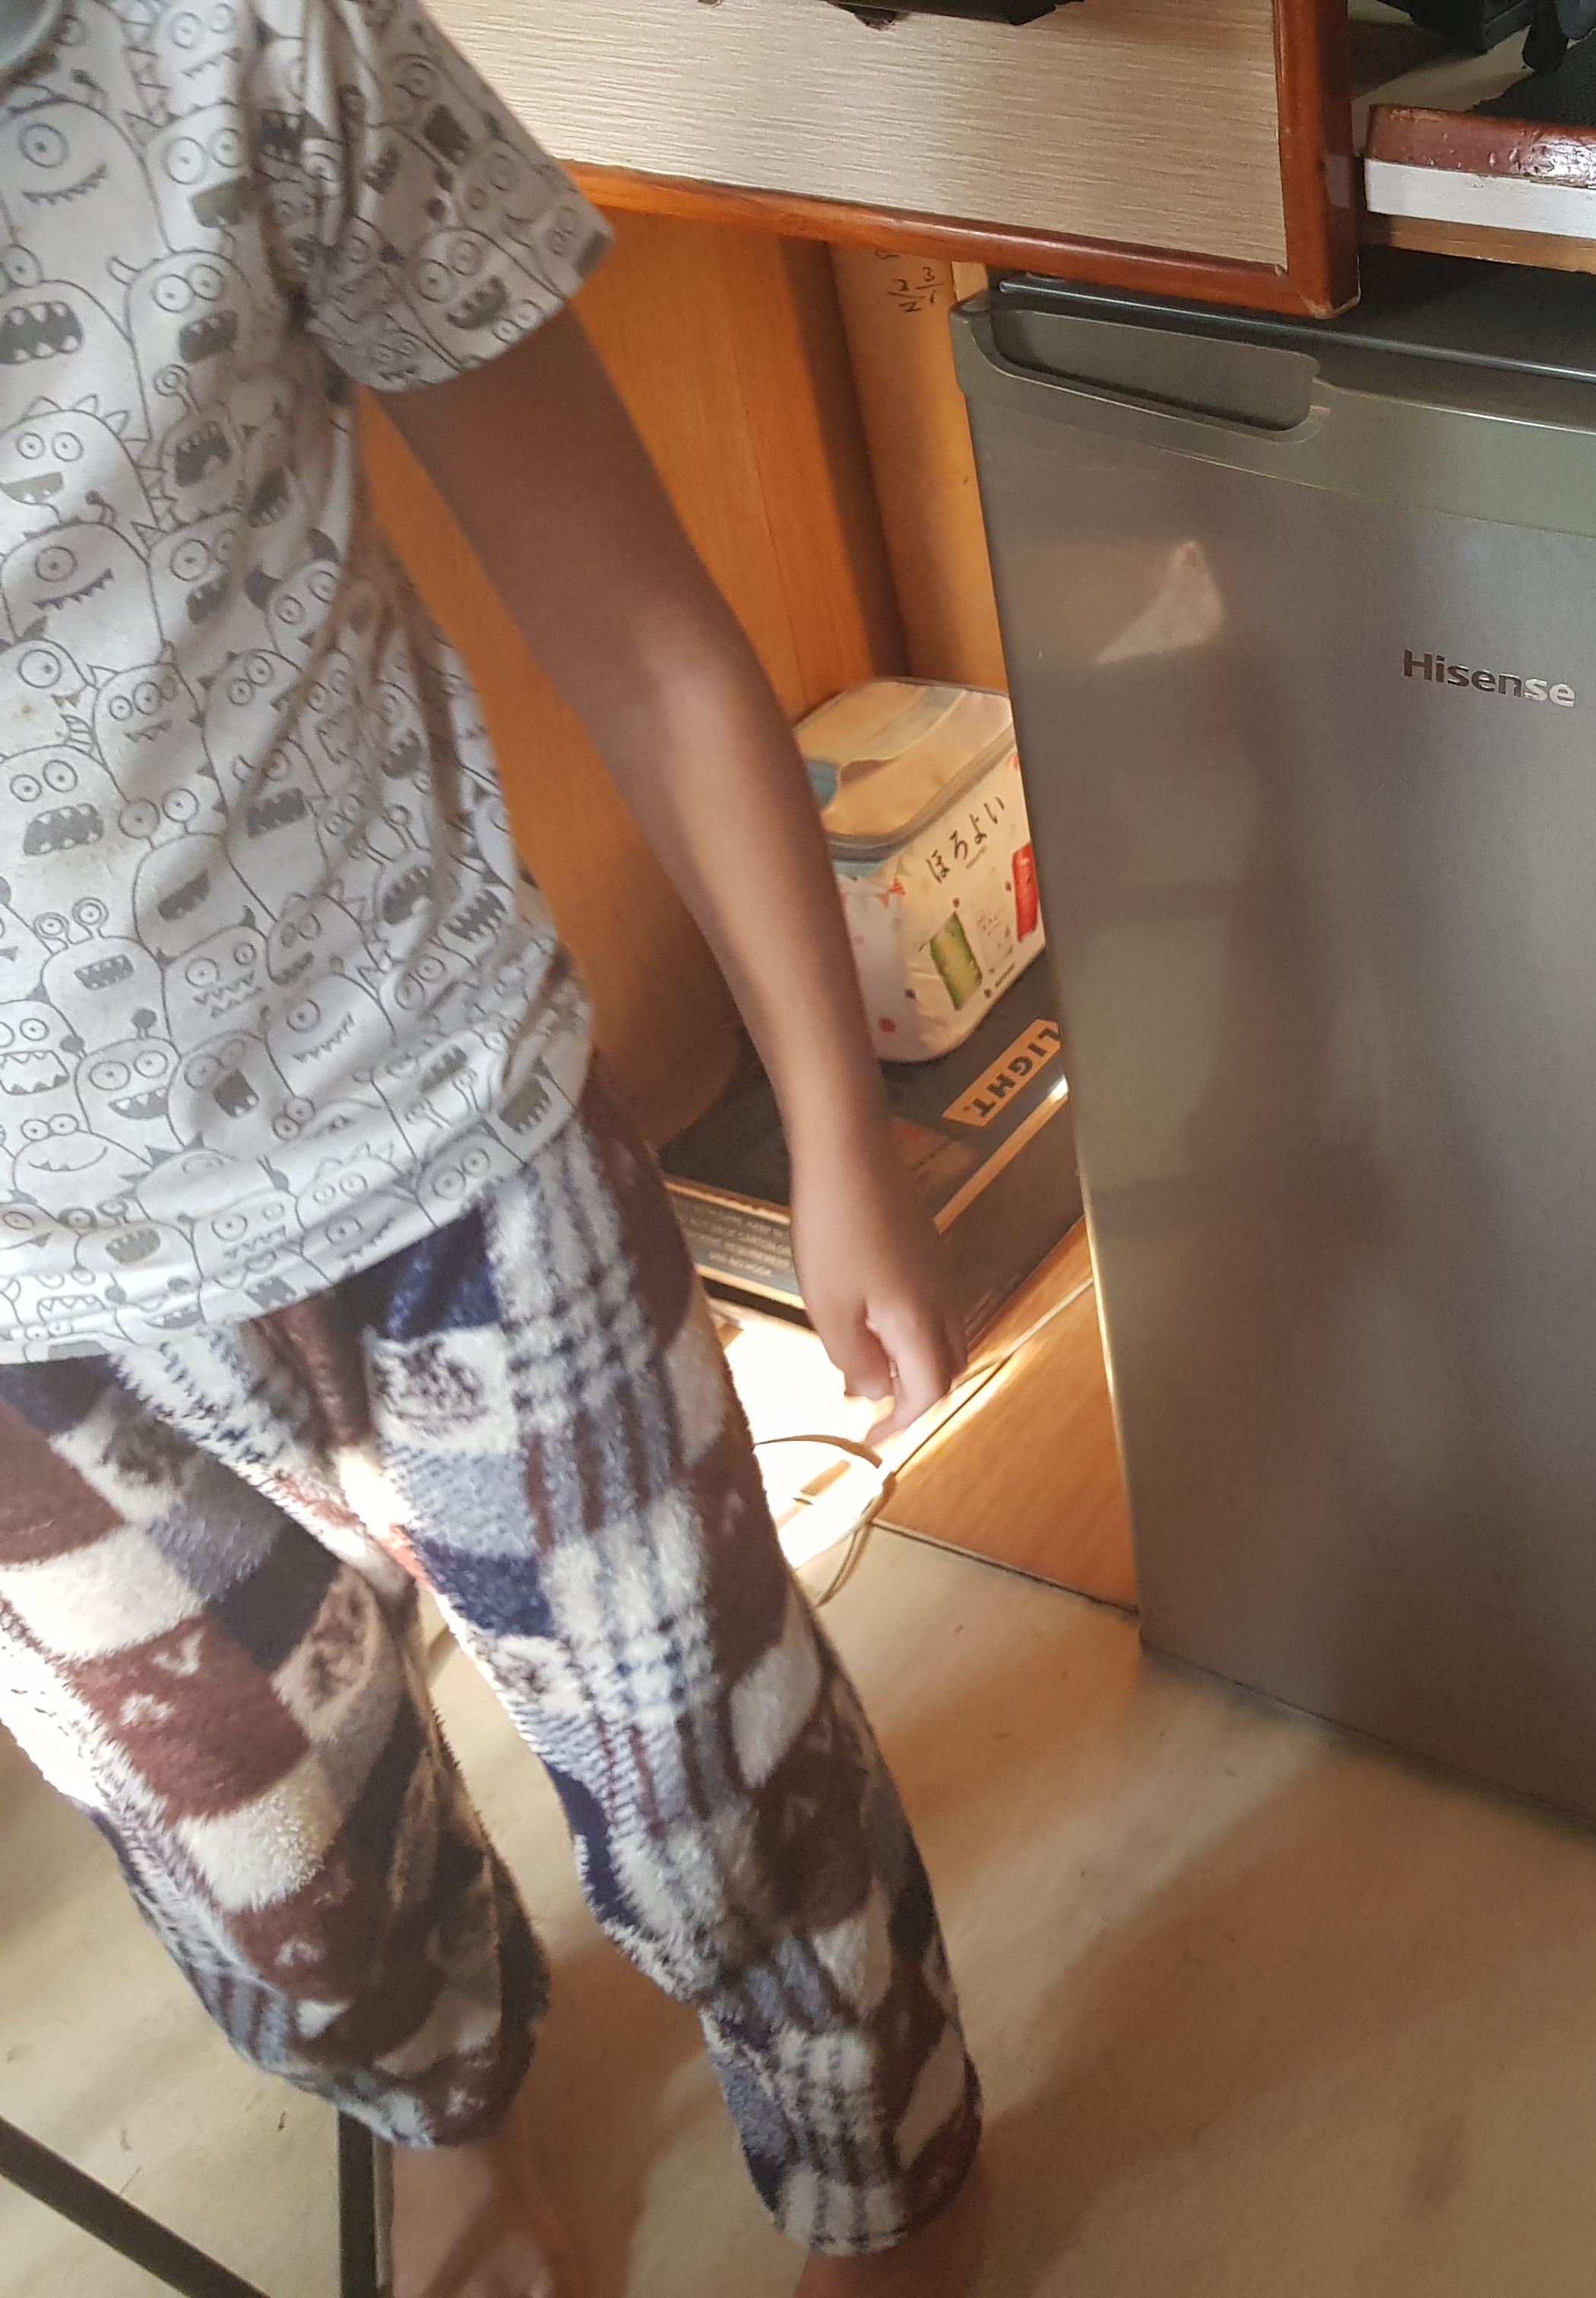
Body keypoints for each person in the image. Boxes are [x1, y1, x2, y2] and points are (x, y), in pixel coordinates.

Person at [0, 2, 987, 2290]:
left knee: (721, 1777)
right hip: (29, 1306)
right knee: (268, 1861)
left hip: (450, 1145)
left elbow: (642, 630)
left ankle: (890, 2177)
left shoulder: (246, 40)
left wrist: (836, 1128)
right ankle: (441, 2107)